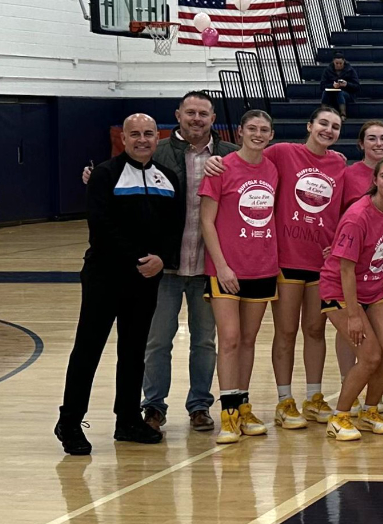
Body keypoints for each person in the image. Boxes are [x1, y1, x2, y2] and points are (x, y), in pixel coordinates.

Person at [206, 106, 346, 430]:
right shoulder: (283, 153)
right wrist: (213, 158)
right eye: (322, 123)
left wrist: (337, 242)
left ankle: (314, 397)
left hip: (320, 262)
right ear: (310, 125)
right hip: (285, 259)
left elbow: (348, 207)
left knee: (315, 330)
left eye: (334, 126)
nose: (327, 130)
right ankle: (285, 401)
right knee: (286, 332)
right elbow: (246, 157)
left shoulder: (339, 163)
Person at [58, 113, 178, 453]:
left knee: (133, 352)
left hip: (145, 281)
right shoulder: (104, 175)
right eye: (135, 134)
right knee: (88, 350)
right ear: (123, 139)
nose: (142, 140)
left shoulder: (167, 178)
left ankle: (127, 420)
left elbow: (174, 227)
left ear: (158, 138)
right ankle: (69, 422)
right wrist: (139, 258)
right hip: (105, 278)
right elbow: (101, 226)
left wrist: (161, 258)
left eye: (149, 134)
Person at [140, 91, 237, 435]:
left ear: (213, 118)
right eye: (190, 112)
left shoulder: (229, 155)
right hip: (164, 267)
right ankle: (153, 405)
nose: (197, 118)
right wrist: (95, 178)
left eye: (204, 114)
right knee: (157, 341)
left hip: (208, 266)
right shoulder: (157, 153)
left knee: (205, 341)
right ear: (178, 114)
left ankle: (199, 405)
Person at [198, 109, 283, 444]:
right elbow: (207, 221)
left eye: (264, 130)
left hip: (261, 266)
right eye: (252, 128)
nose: (258, 134)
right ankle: (228, 413)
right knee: (230, 338)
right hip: (227, 268)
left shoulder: (273, 169)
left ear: (271, 135)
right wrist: (221, 265)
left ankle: (243, 404)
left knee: (248, 340)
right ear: (241, 132)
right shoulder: (222, 167)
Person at [318, 157, 383, 439]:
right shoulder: (358, 216)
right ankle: (339, 417)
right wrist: (354, 314)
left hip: (374, 288)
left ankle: (370, 410)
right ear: (375, 181)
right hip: (340, 291)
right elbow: (345, 269)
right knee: (370, 357)